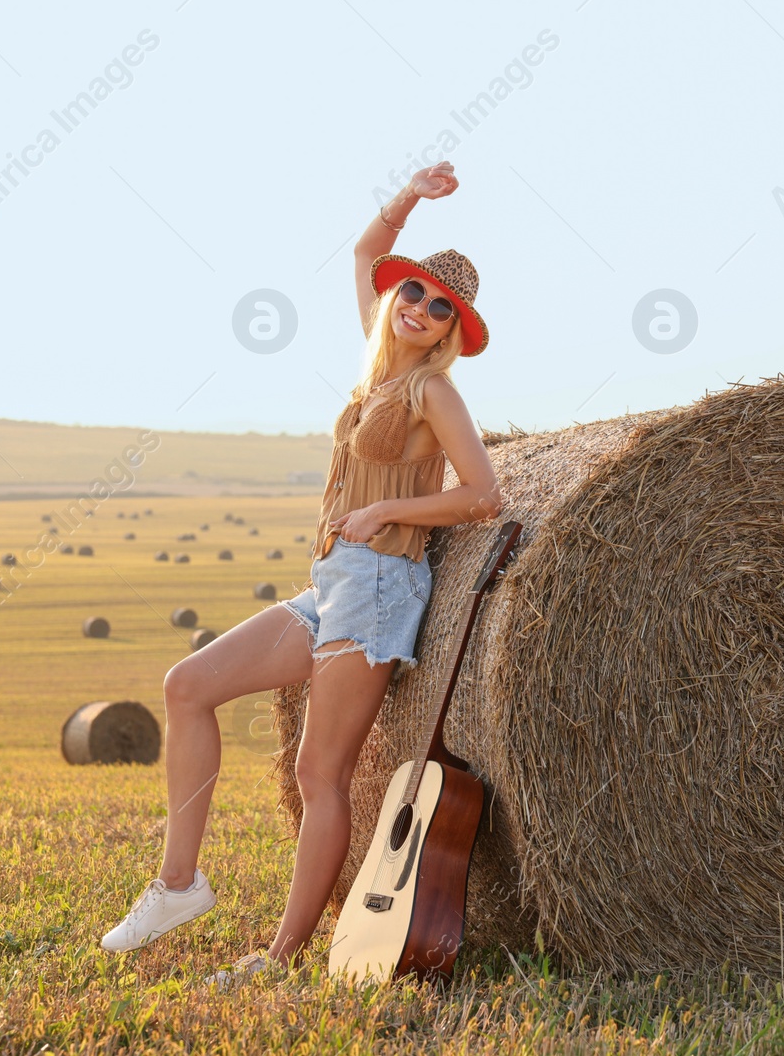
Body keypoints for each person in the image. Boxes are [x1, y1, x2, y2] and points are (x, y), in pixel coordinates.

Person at [99, 161, 503, 990]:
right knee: (187, 683)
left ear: (452, 330)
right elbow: (364, 255)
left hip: (383, 585)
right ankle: (179, 884)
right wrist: (409, 198)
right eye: (417, 295)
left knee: (318, 774)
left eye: (442, 309)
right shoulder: (377, 366)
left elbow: (484, 495)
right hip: (332, 586)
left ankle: (276, 961)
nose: (422, 311)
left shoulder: (433, 393)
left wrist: (389, 515)